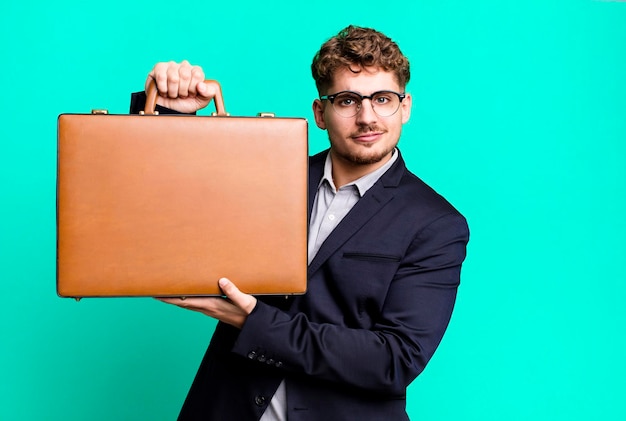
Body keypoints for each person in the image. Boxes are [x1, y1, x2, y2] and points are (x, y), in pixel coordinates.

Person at [130, 25, 469, 421]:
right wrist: (170, 114)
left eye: (382, 99)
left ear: (405, 107)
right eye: (347, 100)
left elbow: (393, 361)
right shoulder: (266, 177)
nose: (367, 117)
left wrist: (255, 322)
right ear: (320, 113)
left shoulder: (436, 224)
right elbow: (167, 214)